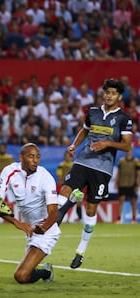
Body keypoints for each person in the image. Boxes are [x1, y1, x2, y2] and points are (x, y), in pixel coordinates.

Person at [56, 78, 132, 269]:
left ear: (119, 97)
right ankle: (50, 231)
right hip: (83, 160)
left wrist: (107, 143)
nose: (109, 95)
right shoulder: (92, 112)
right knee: (63, 192)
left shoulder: (124, 118)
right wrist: (74, 144)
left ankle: (81, 249)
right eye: (107, 92)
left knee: (91, 210)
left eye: (113, 93)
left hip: (102, 168)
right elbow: (84, 130)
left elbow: (127, 145)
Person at [0, 143, 58, 283]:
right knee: (26, 273)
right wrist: (17, 223)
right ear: (21, 157)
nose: (35, 160)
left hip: (46, 230)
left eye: (38, 157)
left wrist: (44, 228)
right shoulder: (9, 171)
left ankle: (46, 272)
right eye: (31, 156)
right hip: (30, 229)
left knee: (21, 276)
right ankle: (42, 271)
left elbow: (53, 213)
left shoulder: (45, 177)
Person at [56, 151, 83, 222]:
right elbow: (60, 177)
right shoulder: (61, 165)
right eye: (67, 155)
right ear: (65, 156)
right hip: (66, 187)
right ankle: (59, 218)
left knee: (79, 202)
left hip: (75, 186)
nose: (69, 157)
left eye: (70, 156)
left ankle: (80, 218)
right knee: (64, 203)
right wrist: (63, 185)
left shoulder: (74, 165)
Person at [115, 150, 140, 224]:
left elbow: (138, 174)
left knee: (133, 202)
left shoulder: (136, 161)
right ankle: (119, 219)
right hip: (122, 184)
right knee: (120, 201)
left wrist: (137, 185)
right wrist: (116, 182)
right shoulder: (121, 161)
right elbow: (119, 173)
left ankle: (134, 219)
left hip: (132, 184)